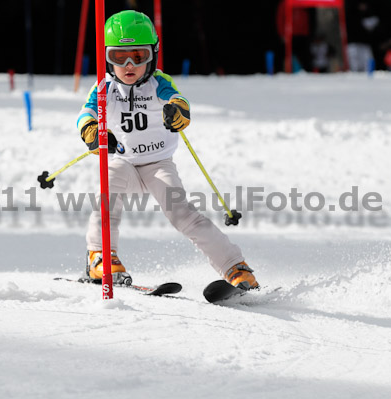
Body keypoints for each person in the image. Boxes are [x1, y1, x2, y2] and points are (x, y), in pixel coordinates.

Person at [76, 10, 259, 291]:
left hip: (157, 164)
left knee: (183, 214)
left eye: (138, 57)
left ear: (153, 55)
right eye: (118, 57)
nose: (128, 65)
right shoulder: (104, 88)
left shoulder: (158, 82)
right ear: (106, 58)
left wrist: (178, 112)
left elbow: (178, 101)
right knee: (107, 194)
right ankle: (100, 257)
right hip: (122, 162)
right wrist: (92, 133)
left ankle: (236, 267)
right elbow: (85, 116)